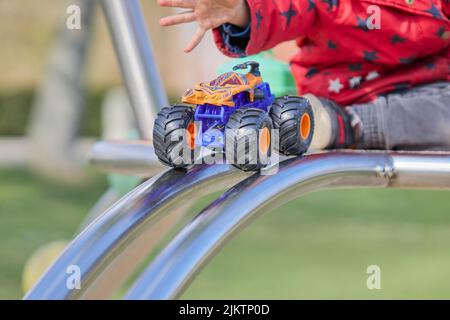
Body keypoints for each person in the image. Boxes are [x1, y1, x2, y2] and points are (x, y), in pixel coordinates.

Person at [157, 0, 450, 150]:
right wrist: (242, 9)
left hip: (430, 96)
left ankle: (343, 127)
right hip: (339, 99)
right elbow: (284, 7)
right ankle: (335, 125)